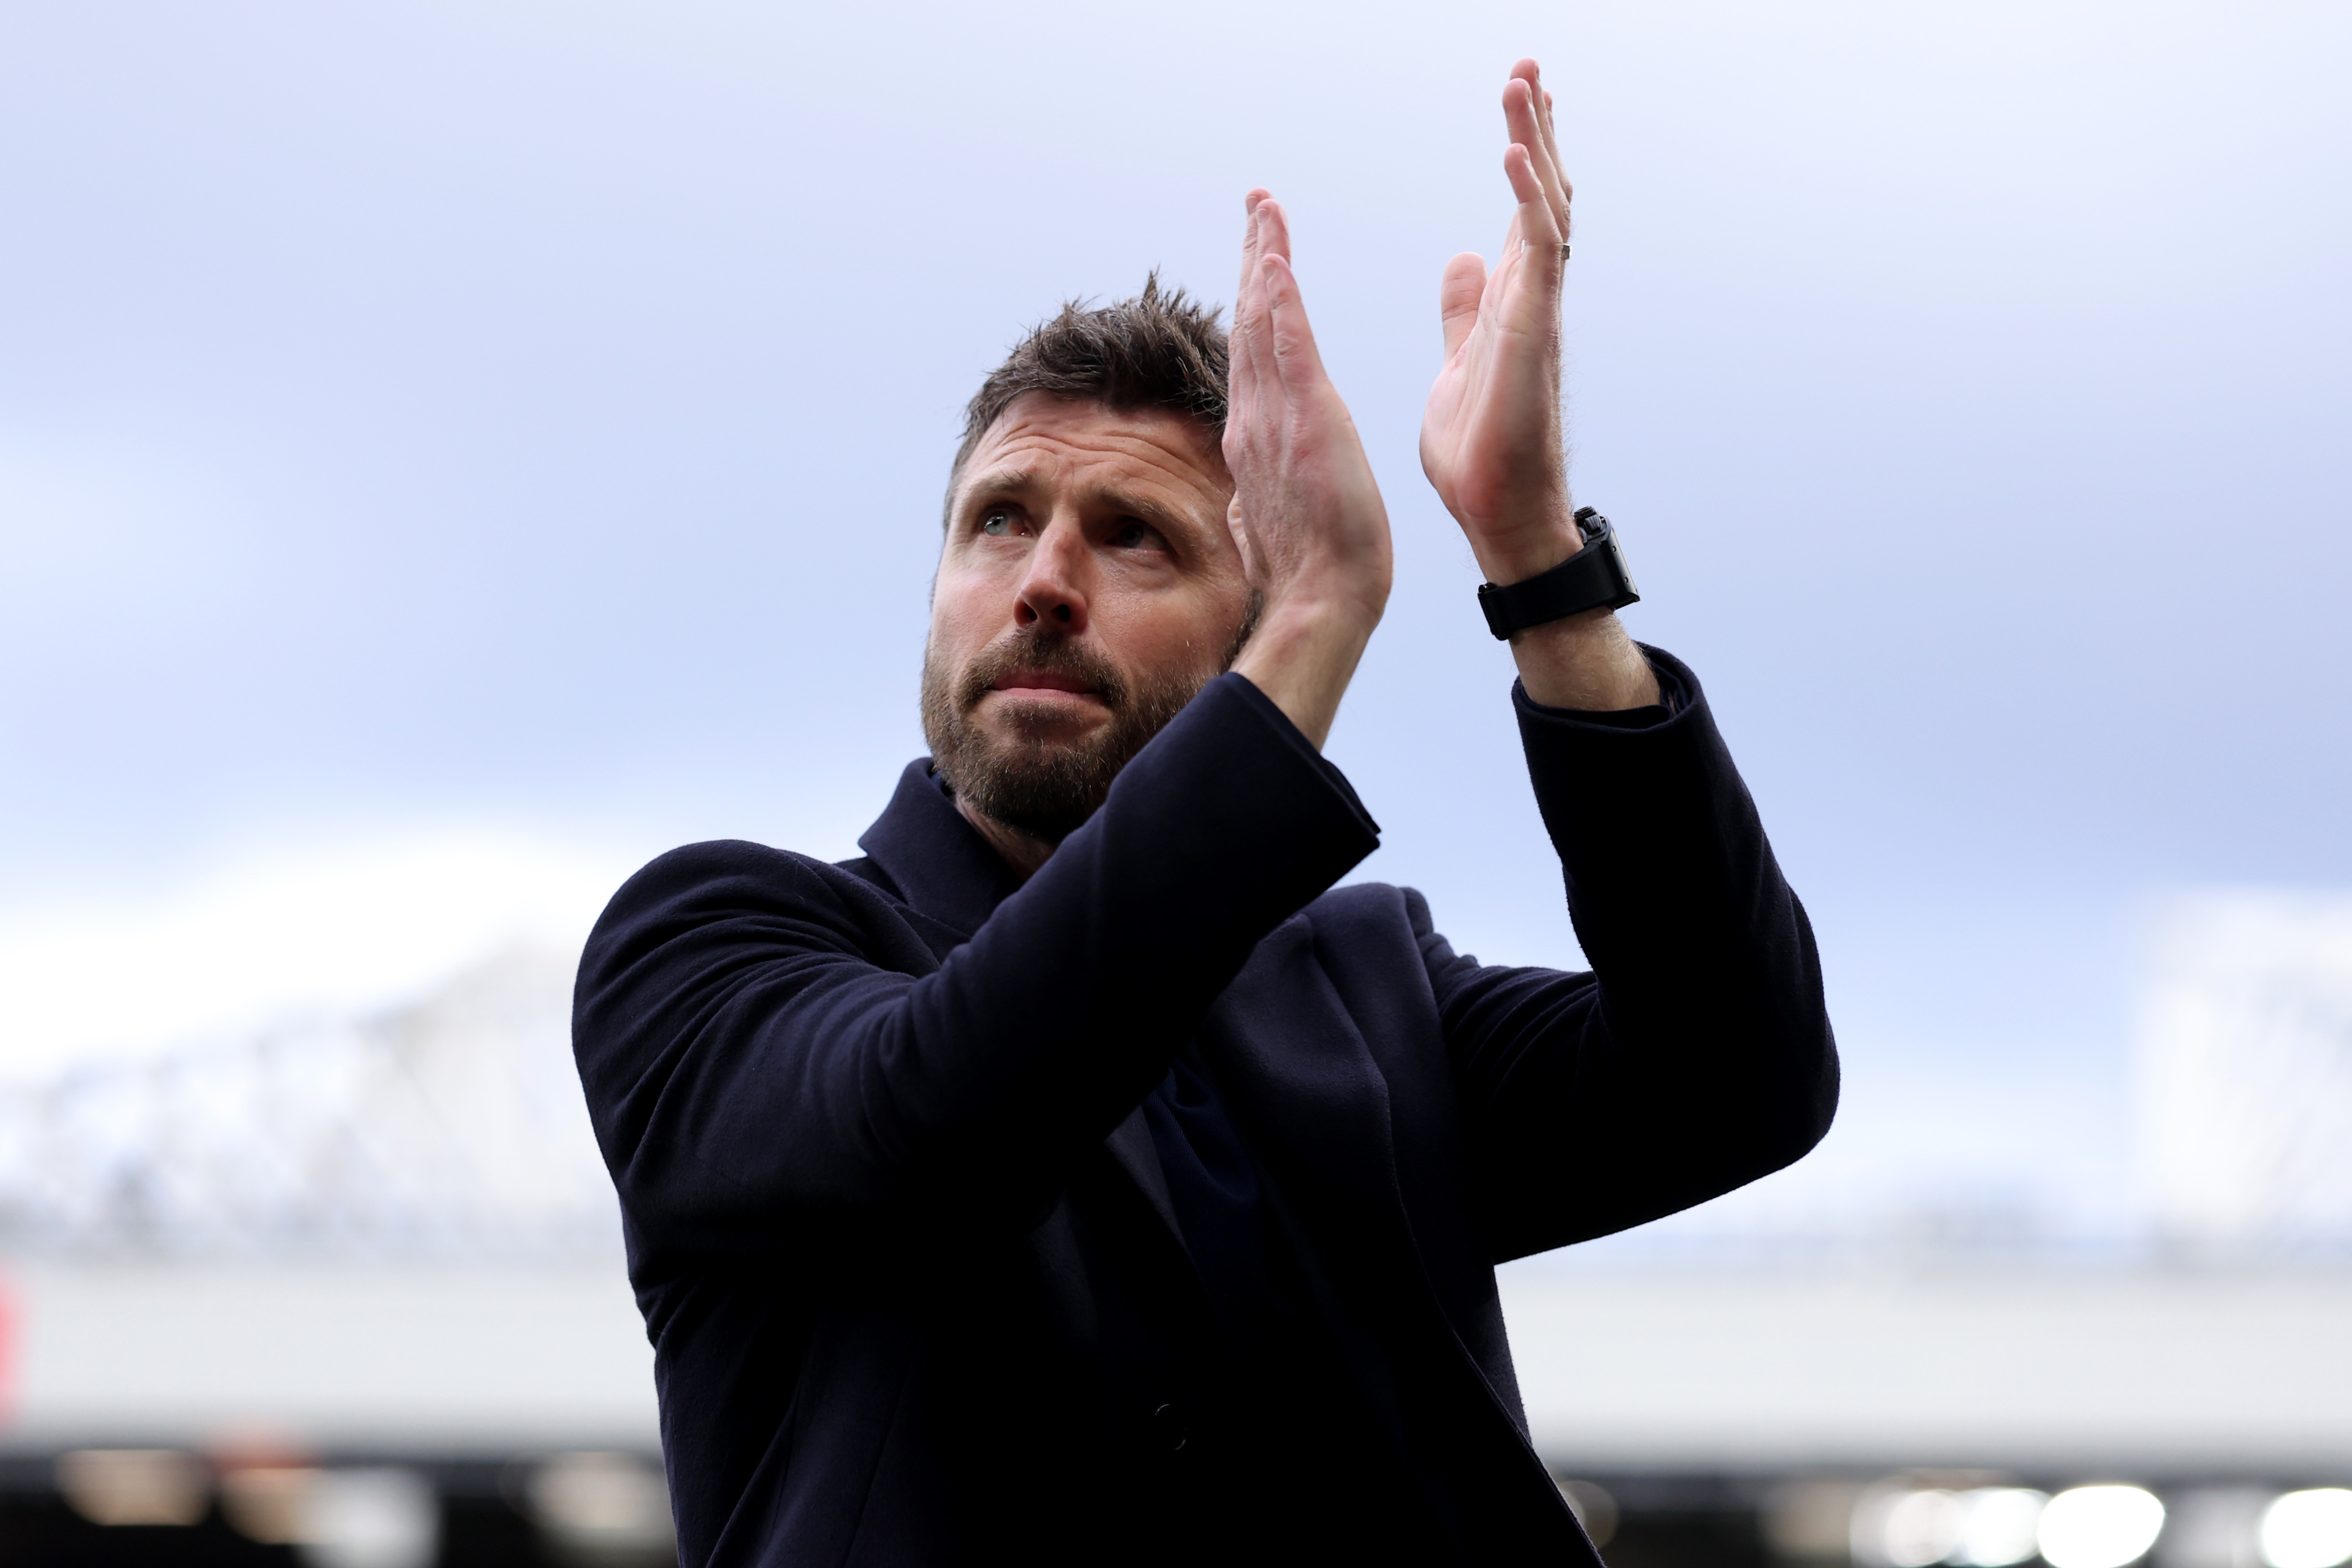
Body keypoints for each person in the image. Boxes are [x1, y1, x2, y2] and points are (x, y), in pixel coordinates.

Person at [574, 58, 1836, 1567]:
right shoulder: (712, 946)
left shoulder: (1364, 996)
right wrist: (1322, 611)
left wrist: (1534, 556)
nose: (1045, 578)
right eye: (1000, 521)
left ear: (1241, 645)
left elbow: (1740, 1077)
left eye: (1136, 539)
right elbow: (940, 1121)